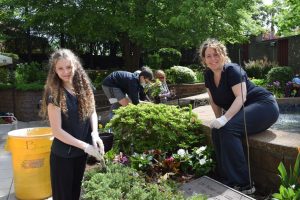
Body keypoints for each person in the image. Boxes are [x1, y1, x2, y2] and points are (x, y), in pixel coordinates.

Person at [199, 38, 279, 194]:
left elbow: (241, 97)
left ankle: (245, 184)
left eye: (216, 54)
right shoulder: (208, 75)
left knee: (228, 129)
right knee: (217, 130)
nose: (213, 59)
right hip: (243, 109)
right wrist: (218, 119)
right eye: (208, 56)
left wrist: (225, 119)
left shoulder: (232, 70)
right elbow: (214, 100)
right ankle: (228, 178)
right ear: (203, 59)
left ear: (223, 54)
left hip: (263, 106)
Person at [40, 49, 104, 200]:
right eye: (60, 68)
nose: (65, 72)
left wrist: (95, 133)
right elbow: (57, 131)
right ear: (54, 70)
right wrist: (86, 146)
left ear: (75, 65)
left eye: (68, 67)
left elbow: (92, 111)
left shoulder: (84, 87)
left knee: (75, 195)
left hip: (80, 155)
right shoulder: (54, 94)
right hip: (63, 157)